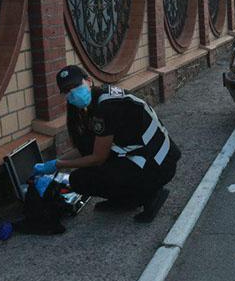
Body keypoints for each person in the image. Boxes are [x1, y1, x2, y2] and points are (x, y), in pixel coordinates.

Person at [33, 65, 180, 223]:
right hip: (153, 156)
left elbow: (98, 157)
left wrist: (59, 164)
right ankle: (128, 199)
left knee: (80, 180)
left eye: (76, 85)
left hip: (159, 164)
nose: (72, 93)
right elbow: (86, 148)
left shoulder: (105, 107)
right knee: (88, 173)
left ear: (89, 81)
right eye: (67, 91)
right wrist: (56, 162)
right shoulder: (98, 99)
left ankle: (150, 194)